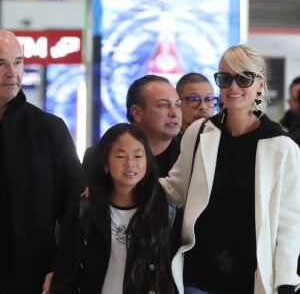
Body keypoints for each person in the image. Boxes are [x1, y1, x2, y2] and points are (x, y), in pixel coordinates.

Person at [159, 44, 300, 294]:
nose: (233, 87)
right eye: (225, 79)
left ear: (260, 84)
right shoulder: (200, 133)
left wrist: (286, 280)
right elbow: (175, 189)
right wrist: (115, 183)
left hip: (252, 278)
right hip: (198, 275)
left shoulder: (282, 147)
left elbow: (289, 222)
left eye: (243, 79)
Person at [0, 28, 85, 294]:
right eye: (1, 63)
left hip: (32, 277)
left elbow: (75, 207)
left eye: (18, 62)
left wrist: (61, 266)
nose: (12, 72)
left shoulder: (50, 129)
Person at [50, 123, 178, 294]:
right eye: (120, 156)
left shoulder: (164, 208)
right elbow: (66, 264)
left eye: (138, 156)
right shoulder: (84, 208)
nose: (130, 163)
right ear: (105, 163)